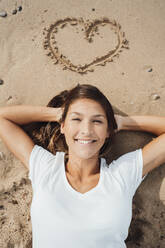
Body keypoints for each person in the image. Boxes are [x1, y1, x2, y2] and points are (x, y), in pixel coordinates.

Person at [0, 83, 164, 248]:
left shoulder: (121, 175)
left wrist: (123, 122)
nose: (86, 130)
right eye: (76, 119)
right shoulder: (45, 169)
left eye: (97, 121)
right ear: (62, 126)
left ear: (108, 131)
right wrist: (58, 113)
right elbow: (3, 118)